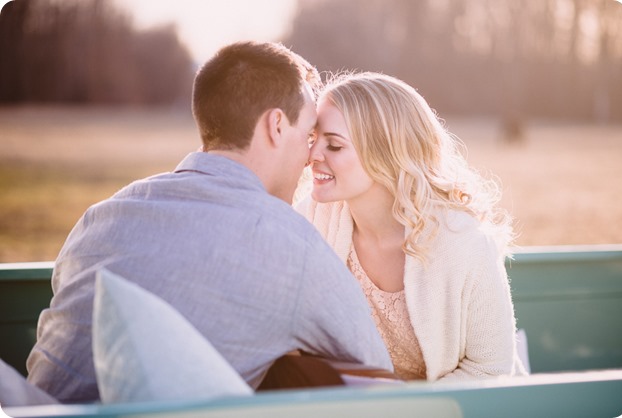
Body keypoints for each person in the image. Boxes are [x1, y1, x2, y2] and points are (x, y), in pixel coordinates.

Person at [26, 42, 393, 403]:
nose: (310, 156)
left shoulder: (102, 216)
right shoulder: (291, 244)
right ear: (276, 126)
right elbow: (376, 373)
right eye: (308, 135)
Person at [297, 72, 527, 381]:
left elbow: (490, 369)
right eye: (313, 140)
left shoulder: (463, 242)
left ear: (386, 153)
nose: (312, 156)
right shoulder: (311, 219)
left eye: (334, 146)